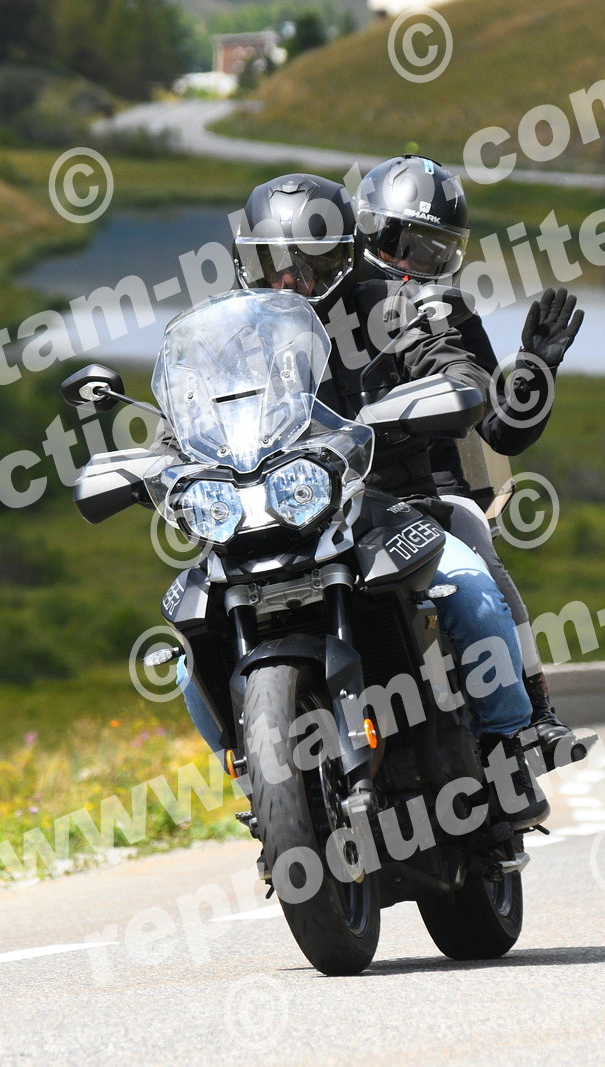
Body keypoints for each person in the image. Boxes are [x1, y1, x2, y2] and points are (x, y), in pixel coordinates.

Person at [177, 172, 548, 826]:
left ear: (347, 258)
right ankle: (260, 789)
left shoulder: (395, 308)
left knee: (469, 589)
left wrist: (441, 392)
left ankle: (509, 744)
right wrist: (159, 455)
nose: (289, 282)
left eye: (312, 265)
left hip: (391, 507)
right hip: (268, 516)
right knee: (189, 662)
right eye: (271, 264)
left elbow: (455, 368)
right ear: (243, 261)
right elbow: (183, 415)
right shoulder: (231, 339)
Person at [350, 154, 588, 769]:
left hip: (421, 492)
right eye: (404, 245)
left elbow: (502, 430)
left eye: (436, 253)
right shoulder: (307, 310)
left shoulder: (442, 315)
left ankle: (533, 712)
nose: (415, 267)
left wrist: (535, 368)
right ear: (367, 231)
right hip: (310, 495)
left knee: (475, 549)